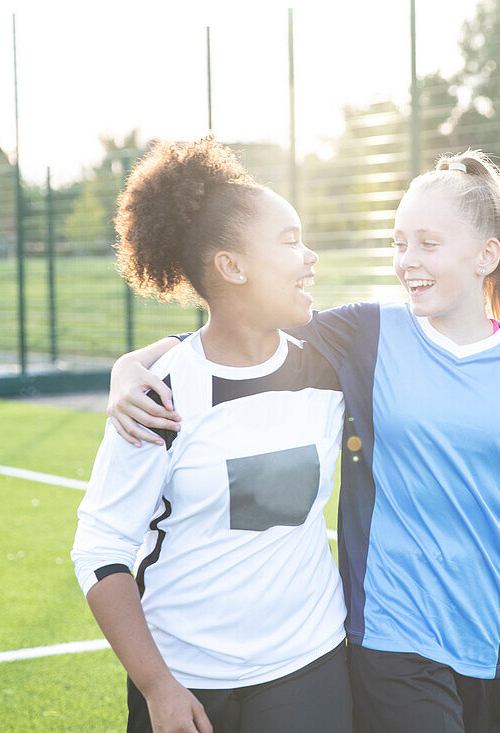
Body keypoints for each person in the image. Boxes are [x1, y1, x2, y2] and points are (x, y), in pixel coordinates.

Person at [109, 150, 500, 733]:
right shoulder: (368, 334)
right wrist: (130, 365)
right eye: (399, 243)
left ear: (488, 255)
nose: (408, 261)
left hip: (498, 642)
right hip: (390, 636)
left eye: (427, 244)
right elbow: (238, 327)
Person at [71, 137, 354, 733]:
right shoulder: (158, 394)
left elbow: (443, 341)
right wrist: (159, 688)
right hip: (187, 687)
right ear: (232, 265)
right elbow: (100, 551)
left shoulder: (333, 365)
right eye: (289, 240)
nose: (310, 256)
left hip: (312, 667)